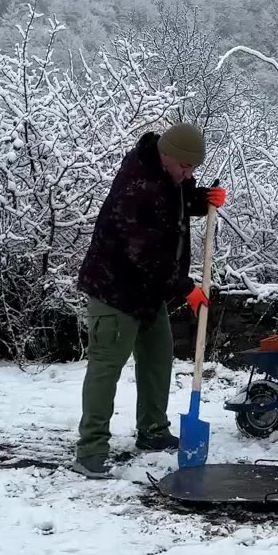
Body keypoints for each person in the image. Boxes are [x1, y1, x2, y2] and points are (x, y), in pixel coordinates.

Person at [71, 122, 225, 479]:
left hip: (148, 292)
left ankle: (153, 431)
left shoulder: (168, 174)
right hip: (114, 291)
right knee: (106, 368)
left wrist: (201, 200)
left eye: (193, 169)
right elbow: (144, 252)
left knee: (157, 360)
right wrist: (185, 288)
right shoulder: (136, 186)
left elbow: (176, 200)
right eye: (184, 167)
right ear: (165, 154)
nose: (187, 173)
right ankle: (91, 449)